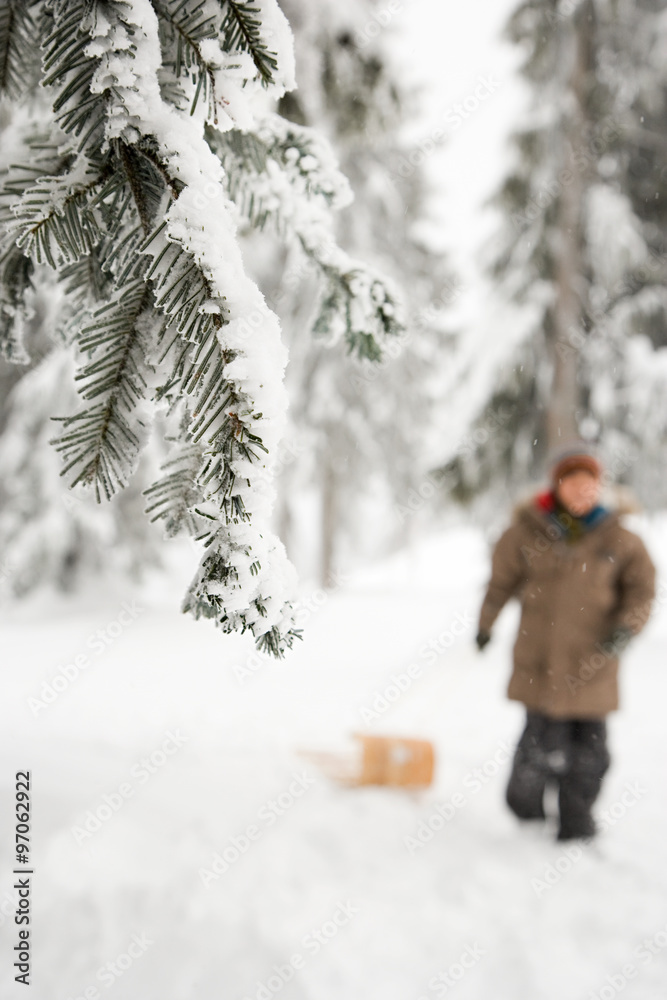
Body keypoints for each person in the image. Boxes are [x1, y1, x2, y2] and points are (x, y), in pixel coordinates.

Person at [476, 444, 656, 840]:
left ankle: (577, 821)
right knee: (540, 746)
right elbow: (500, 584)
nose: (581, 491)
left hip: (594, 662)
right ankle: (525, 812)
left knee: (591, 755)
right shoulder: (525, 532)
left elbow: (643, 591)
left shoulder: (622, 539)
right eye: (573, 483)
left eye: (589, 484)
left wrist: (627, 627)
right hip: (540, 660)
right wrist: (485, 625)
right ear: (557, 486)